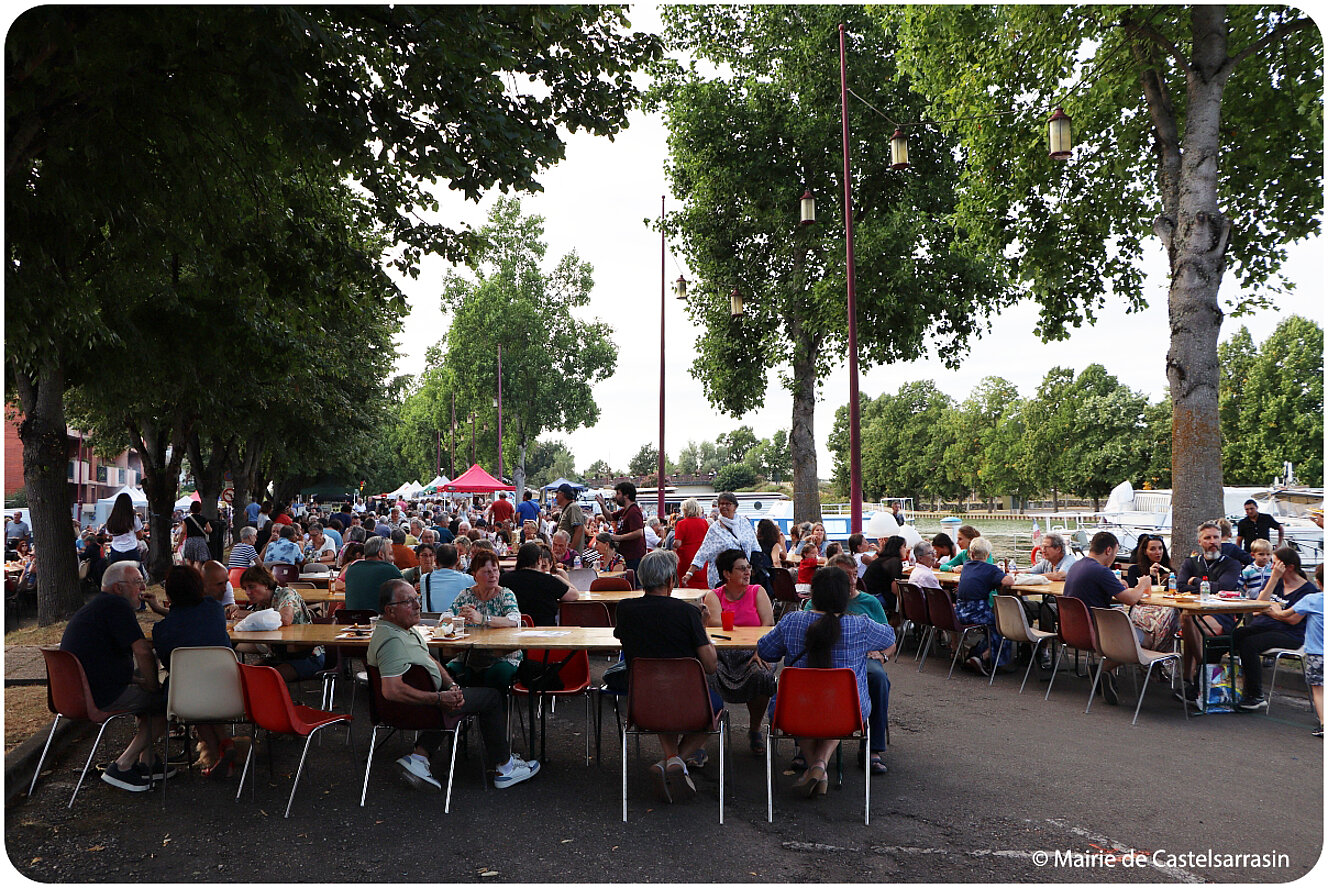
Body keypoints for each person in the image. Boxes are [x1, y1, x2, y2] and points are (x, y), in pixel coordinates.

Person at [368, 579, 539, 791]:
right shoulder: (391, 640)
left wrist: (451, 686)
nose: (417, 605)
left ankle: (419, 757)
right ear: (390, 610)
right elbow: (392, 690)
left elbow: (430, 660)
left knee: (464, 690)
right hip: (421, 709)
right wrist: (439, 699)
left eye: (416, 599)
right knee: (492, 697)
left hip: (431, 701)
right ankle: (505, 768)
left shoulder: (406, 630)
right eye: (409, 601)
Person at [757, 566, 895, 797]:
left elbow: (765, 650)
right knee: (836, 709)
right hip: (848, 712)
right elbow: (889, 636)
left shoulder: (792, 621)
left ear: (813, 593)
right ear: (845, 595)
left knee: (799, 708)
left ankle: (816, 768)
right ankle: (820, 765)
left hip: (793, 710)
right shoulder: (860, 625)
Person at [612, 549, 719, 802]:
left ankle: (670, 761)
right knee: (715, 707)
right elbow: (711, 665)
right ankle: (675, 760)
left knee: (660, 689)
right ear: (672, 579)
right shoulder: (687, 613)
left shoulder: (625, 609)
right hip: (689, 703)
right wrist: (702, 628)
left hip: (643, 703)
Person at [60, 562, 168, 792]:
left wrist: (141, 682)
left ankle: (147, 763)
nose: (143, 587)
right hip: (100, 695)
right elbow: (142, 650)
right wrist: (151, 685)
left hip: (78, 693)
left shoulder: (98, 606)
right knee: (166, 703)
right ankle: (123, 765)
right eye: (137, 582)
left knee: (149, 698)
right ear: (119, 588)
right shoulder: (116, 606)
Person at [803, 555, 893, 774]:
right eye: (846, 576)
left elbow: (891, 640)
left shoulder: (869, 603)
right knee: (807, 675)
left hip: (861, 658)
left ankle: (872, 749)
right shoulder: (813, 605)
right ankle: (804, 746)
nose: (852, 581)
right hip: (825, 660)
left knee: (878, 678)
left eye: (855, 574)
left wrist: (882, 655)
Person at [151, 565, 235, 776]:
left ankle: (214, 755)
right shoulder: (214, 609)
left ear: (169, 595)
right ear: (200, 587)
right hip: (226, 689)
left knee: (190, 693)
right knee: (207, 689)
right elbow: (193, 618)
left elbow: (169, 664)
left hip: (185, 697)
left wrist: (159, 611)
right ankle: (226, 743)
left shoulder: (161, 631)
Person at [699, 548, 776, 758]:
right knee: (705, 675)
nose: (747, 572)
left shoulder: (757, 591)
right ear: (726, 573)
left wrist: (760, 649)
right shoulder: (713, 596)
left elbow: (768, 625)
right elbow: (714, 624)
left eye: (748, 567)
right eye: (741, 569)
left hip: (754, 651)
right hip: (722, 654)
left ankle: (755, 729)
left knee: (761, 673)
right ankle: (701, 738)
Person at [1063, 531, 1152, 704]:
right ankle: (1103, 670)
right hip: (1096, 633)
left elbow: (1097, 589)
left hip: (1073, 631)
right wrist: (1142, 585)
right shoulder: (1101, 571)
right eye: (1116, 553)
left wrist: (1118, 585)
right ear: (1109, 550)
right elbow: (1132, 599)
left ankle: (1106, 677)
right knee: (1147, 639)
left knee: (1125, 630)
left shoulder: (1076, 566)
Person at [1233, 546, 1319, 712]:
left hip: (1290, 635)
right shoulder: (1276, 582)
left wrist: (1272, 612)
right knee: (1235, 635)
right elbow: (1258, 610)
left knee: (1249, 644)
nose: (1271, 567)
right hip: (1263, 626)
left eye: (1275, 564)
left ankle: (1255, 694)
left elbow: (1293, 620)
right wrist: (1273, 580)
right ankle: (1203, 684)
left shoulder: (1308, 591)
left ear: (1289, 567)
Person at [1176, 521, 1244, 701]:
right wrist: (1205, 586)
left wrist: (1196, 582)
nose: (1212, 541)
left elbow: (1223, 587)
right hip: (1195, 613)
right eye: (1208, 538)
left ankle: (1194, 676)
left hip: (1222, 615)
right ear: (1200, 542)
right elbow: (1180, 586)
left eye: (1216, 537)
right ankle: (1199, 671)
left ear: (1221, 539)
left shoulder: (1232, 564)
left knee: (1188, 623)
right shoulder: (1191, 562)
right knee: (1187, 618)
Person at [445, 550, 523, 689]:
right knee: (444, 674)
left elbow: (514, 620)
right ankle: (459, 709)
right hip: (468, 657)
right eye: (487, 572)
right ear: (474, 575)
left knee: (496, 675)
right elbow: (445, 618)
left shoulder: (505, 594)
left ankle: (494, 709)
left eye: (495, 570)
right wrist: (457, 619)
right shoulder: (466, 595)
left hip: (502, 656)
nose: (493, 575)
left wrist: (482, 619)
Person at [236, 564, 324, 682]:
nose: (247, 592)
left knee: (264, 680)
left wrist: (248, 616)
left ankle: (280, 701)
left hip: (306, 655)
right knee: (244, 676)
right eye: (245, 588)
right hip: (278, 656)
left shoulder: (286, 593)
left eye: (251, 587)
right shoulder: (261, 605)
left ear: (266, 585)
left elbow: (285, 619)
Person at [1267, 567, 1324, 734]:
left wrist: (1275, 609)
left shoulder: (1312, 599)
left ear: (1318, 582)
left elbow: (1285, 615)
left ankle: (1323, 724)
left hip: (1317, 654)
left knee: (1319, 690)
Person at [953, 537, 1016, 677]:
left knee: (994, 624)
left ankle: (975, 655)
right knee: (1004, 626)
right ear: (987, 555)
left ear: (972, 554)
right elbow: (1009, 581)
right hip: (977, 611)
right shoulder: (990, 569)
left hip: (959, 611)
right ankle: (986, 658)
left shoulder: (967, 566)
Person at [680, 492, 757, 590]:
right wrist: (689, 573)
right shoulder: (715, 528)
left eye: (727, 504)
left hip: (744, 576)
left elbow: (755, 547)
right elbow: (703, 552)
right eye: (721, 504)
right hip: (722, 579)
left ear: (735, 507)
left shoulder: (745, 524)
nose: (724, 506)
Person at [500, 542, 578, 626]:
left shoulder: (504, 580)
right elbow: (574, 595)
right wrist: (559, 578)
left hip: (513, 632)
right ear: (539, 559)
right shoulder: (549, 581)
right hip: (546, 633)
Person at [1124, 533, 1177, 652]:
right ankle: (1156, 656)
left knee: (1171, 616)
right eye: (1152, 549)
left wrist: (1170, 580)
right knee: (1163, 621)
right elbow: (1134, 592)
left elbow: (1175, 593)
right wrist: (1150, 576)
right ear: (1145, 551)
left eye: (1160, 548)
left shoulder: (1168, 571)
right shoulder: (1135, 570)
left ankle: (1157, 658)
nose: (1158, 552)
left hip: (1164, 609)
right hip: (1142, 610)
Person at [342, 535, 404, 612]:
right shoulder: (389, 569)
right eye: (390, 554)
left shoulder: (352, 568)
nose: (393, 558)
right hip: (378, 621)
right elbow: (407, 594)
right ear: (381, 554)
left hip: (352, 620)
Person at [597, 481, 646, 575]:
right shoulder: (624, 511)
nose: (616, 496)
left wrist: (619, 537)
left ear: (626, 495)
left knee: (632, 583)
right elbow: (609, 517)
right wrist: (602, 505)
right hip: (626, 554)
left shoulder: (633, 511)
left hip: (633, 556)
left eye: (618, 493)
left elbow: (639, 532)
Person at [861, 535, 908, 616]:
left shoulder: (881, 559)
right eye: (904, 547)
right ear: (898, 548)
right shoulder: (894, 561)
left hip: (866, 596)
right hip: (876, 598)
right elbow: (895, 589)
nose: (906, 550)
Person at [672, 497, 711, 588]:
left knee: (686, 584)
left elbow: (677, 543)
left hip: (686, 557)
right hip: (701, 557)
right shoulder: (704, 523)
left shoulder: (681, 523)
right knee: (702, 583)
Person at [104, 492, 145, 568]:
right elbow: (139, 535)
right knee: (138, 574)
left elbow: (109, 536)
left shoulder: (111, 519)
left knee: (114, 574)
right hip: (131, 550)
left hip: (116, 551)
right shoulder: (133, 518)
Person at [554, 484, 588, 555]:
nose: (556, 497)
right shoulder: (567, 508)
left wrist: (570, 552)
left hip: (571, 557)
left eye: (557, 494)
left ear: (562, 494)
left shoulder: (573, 507)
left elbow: (579, 529)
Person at [179, 501, 212, 568]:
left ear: (191, 509)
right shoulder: (203, 519)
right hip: (200, 541)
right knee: (199, 561)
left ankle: (190, 574)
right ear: (200, 509)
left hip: (190, 541)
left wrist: (178, 544)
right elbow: (209, 530)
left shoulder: (187, 520)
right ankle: (197, 574)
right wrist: (204, 530)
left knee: (190, 560)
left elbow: (183, 532)